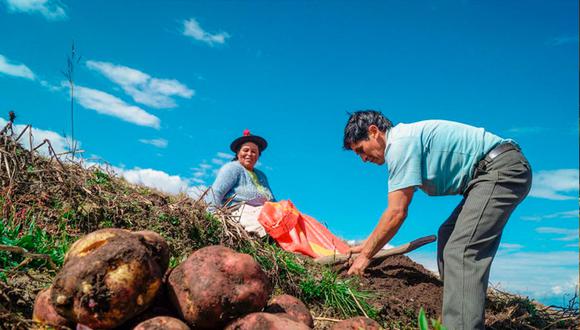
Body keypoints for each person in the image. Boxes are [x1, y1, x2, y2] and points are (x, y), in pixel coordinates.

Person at [342, 110, 532, 330]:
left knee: (461, 250)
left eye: (361, 150)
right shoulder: (404, 140)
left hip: (501, 169)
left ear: (374, 132)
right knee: (448, 234)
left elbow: (396, 212)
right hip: (488, 175)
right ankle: (458, 313)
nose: (363, 159)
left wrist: (365, 256)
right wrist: (368, 244)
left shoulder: (400, 144)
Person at [207, 129, 275, 237]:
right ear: (238, 153)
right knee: (267, 228)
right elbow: (216, 191)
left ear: (258, 155)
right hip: (241, 211)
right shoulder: (232, 168)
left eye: (254, 151)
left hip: (264, 212)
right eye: (246, 150)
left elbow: (272, 200)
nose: (249, 154)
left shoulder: (261, 175)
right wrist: (213, 215)